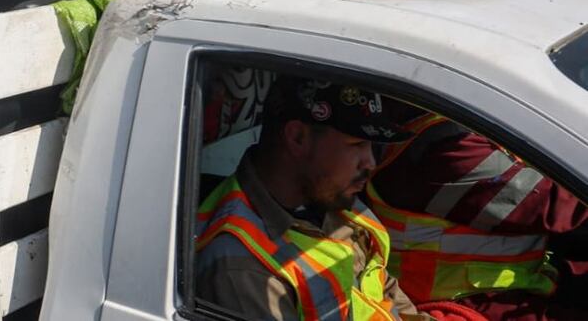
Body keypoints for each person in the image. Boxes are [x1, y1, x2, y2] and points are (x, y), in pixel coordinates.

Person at [196, 78, 427, 320]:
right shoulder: (242, 269)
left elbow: (383, 288)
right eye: (357, 144)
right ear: (298, 137)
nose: (370, 162)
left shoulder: (328, 194)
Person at [366, 106, 588, 321]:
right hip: (460, 302)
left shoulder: (464, 121)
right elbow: (551, 204)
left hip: (514, 282)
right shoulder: (445, 148)